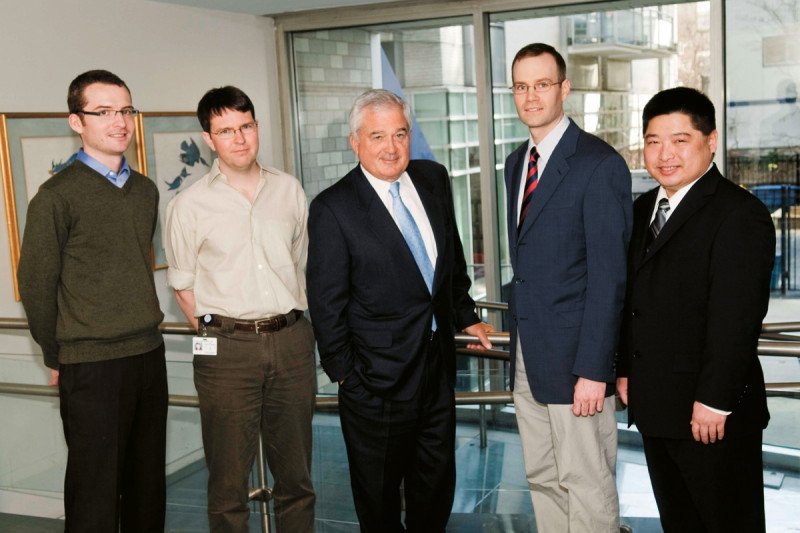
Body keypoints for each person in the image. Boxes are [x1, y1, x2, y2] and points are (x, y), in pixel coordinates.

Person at [306, 88, 493, 533]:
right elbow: (326, 303)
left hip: (436, 368)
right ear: (356, 142)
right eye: (377, 137)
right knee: (379, 497)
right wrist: (347, 374)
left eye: (400, 134)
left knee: (435, 486)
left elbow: (452, 259)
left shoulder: (433, 179)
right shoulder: (333, 208)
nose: (391, 147)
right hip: (375, 382)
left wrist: (464, 313)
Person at [616, 87, 774, 532]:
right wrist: (626, 368)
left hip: (711, 417)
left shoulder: (739, 214)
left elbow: (737, 318)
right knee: (679, 521)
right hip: (657, 408)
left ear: (711, 141)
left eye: (680, 140)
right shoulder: (644, 207)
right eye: (653, 141)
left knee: (727, 523)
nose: (664, 154)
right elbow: (635, 301)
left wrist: (715, 401)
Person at [18, 69, 167, 532]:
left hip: (148, 354)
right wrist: (58, 354)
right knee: (95, 493)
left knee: (148, 488)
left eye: (125, 109)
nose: (118, 121)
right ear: (76, 122)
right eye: (103, 111)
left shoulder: (144, 190)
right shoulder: (55, 197)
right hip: (92, 365)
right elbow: (37, 286)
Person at [164, 86, 315, 532]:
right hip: (225, 351)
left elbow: (300, 262)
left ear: (257, 127)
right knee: (229, 484)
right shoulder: (187, 206)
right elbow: (182, 285)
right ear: (209, 139)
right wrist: (217, 337)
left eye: (246, 126)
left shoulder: (289, 190)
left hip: (291, 343)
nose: (240, 138)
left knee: (297, 477)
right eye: (226, 130)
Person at [503, 43, 632, 532]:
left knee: (587, 480)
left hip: (578, 365)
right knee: (542, 476)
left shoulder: (598, 164)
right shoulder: (517, 163)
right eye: (521, 86)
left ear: (564, 89)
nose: (531, 96)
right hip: (527, 359)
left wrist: (595, 369)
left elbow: (608, 277)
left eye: (542, 84)